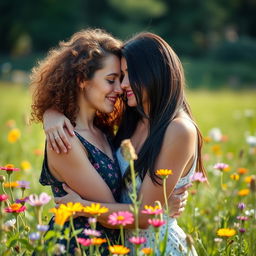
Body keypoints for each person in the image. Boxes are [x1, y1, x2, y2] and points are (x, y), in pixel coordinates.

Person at [44, 32, 205, 255]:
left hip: (158, 247)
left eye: (128, 75)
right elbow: (142, 208)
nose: (122, 85)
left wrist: (81, 207)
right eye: (116, 78)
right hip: (122, 245)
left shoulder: (178, 129)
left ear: (154, 73)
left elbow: (147, 215)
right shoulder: (133, 120)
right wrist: (50, 113)